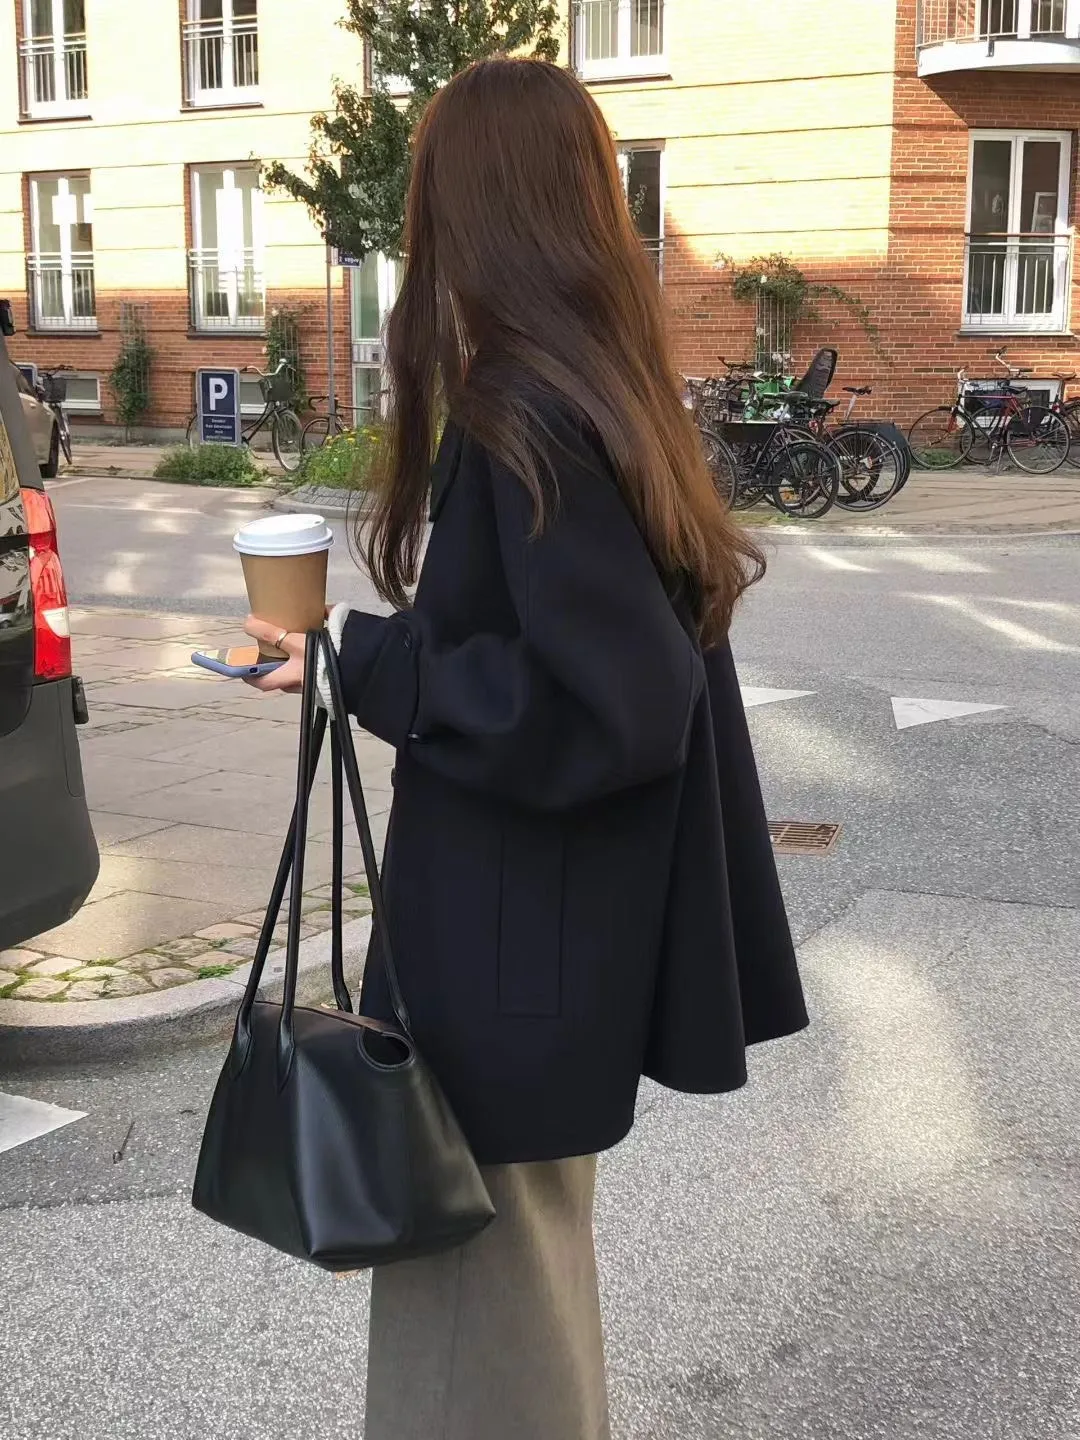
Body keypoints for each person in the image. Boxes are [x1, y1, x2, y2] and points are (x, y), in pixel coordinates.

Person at [244, 56, 808, 1440]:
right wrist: (350, 658)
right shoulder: (594, 392)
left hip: (509, 954)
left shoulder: (527, 413)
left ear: (476, 209)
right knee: (519, 1300)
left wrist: (364, 658)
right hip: (543, 945)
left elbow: (614, 704)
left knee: (483, 1335)